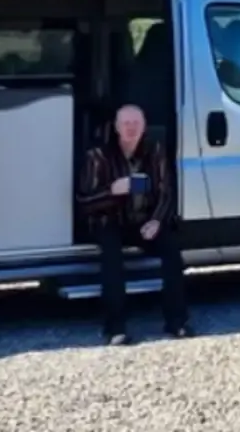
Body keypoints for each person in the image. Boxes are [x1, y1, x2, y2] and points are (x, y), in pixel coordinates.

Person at [76, 103, 192, 345]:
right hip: (109, 221)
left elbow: (165, 191)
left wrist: (157, 221)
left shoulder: (154, 150)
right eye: (126, 124)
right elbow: (83, 201)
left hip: (143, 220)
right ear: (116, 127)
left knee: (172, 250)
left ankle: (177, 323)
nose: (131, 128)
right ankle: (115, 328)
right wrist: (112, 191)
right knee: (112, 259)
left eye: (136, 123)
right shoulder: (98, 156)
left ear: (144, 127)